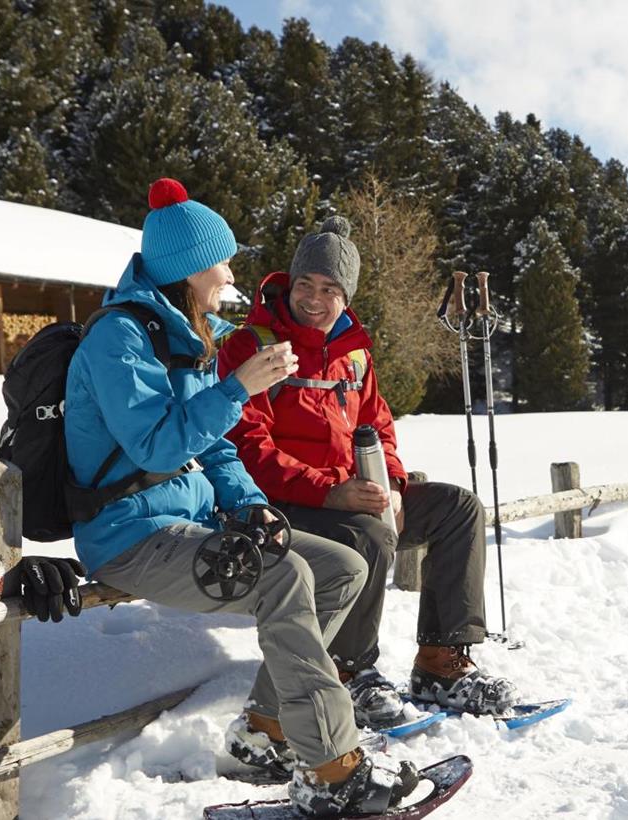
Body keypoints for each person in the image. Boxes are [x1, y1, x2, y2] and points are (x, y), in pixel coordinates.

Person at [64, 180, 416, 816]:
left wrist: (254, 506)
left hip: (189, 522)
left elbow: (218, 447)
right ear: (192, 268)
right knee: (282, 576)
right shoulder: (120, 341)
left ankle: (265, 731)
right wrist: (237, 387)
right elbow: (156, 447)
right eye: (222, 260)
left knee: (344, 567)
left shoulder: (188, 332)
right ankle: (334, 768)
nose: (231, 272)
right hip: (131, 538)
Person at [218, 216, 520, 730]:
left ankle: (440, 663)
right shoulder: (252, 346)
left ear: (347, 295)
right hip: (280, 505)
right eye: (306, 285)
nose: (314, 299)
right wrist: (333, 493)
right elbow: (248, 448)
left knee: (458, 507)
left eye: (330, 289)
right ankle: (349, 670)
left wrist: (394, 485)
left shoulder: (353, 353)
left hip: (351, 494)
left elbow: (377, 425)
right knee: (369, 532)